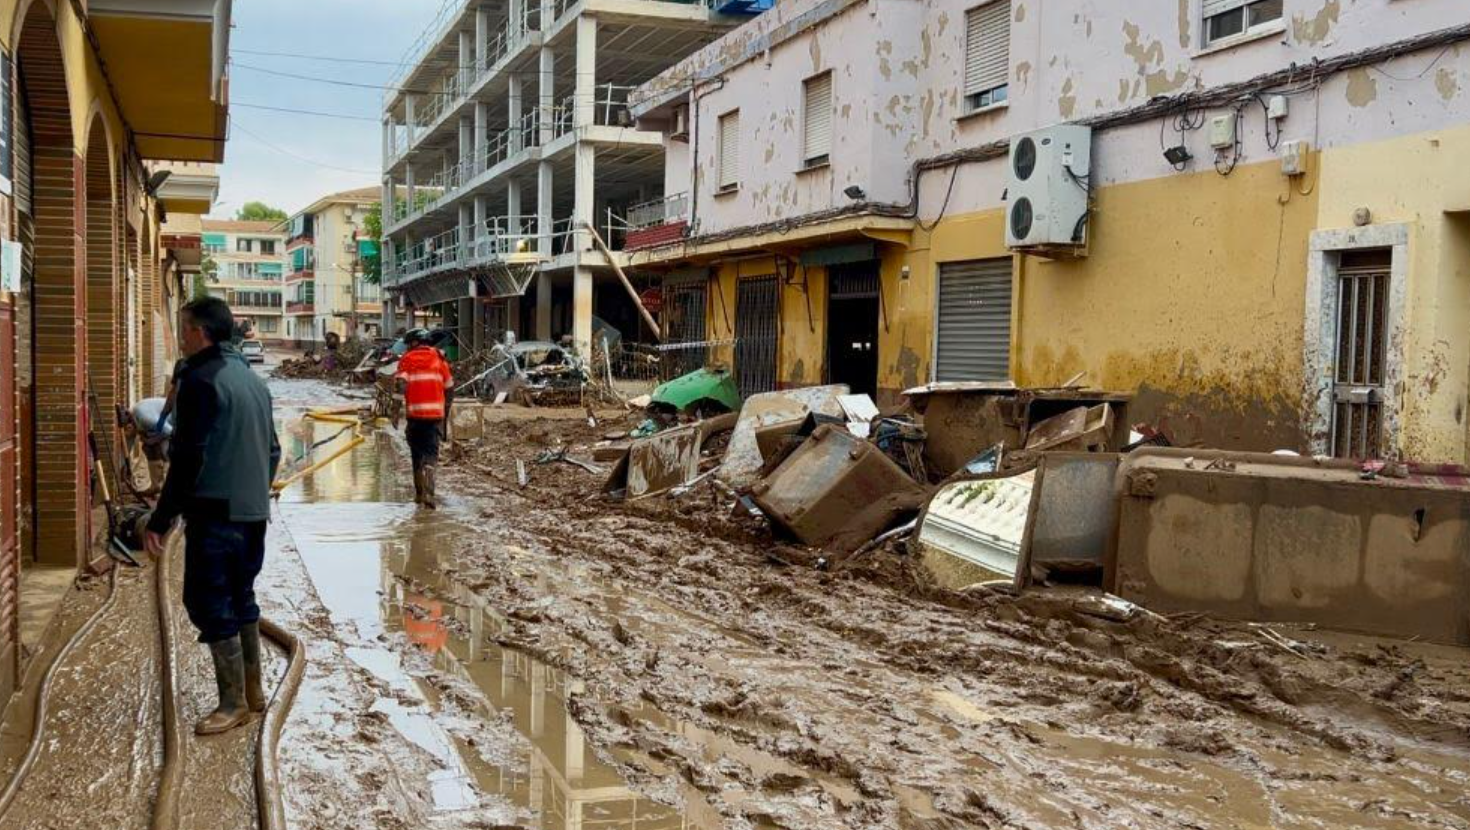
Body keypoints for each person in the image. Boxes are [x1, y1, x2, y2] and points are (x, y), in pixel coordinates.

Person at [144, 297, 281, 736]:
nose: (180, 338)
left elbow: (187, 457)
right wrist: (254, 490)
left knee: (207, 600)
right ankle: (254, 693)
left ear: (199, 332)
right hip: (253, 513)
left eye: (183, 329)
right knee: (241, 597)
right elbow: (273, 450)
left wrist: (160, 520)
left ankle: (233, 703)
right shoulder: (251, 380)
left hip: (216, 513)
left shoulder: (202, 380)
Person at [395, 328, 454, 509]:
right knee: (431, 456)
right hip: (434, 417)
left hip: (414, 417)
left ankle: (419, 495)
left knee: (416, 455)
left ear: (414, 343)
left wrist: (394, 412)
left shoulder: (407, 360)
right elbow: (449, 387)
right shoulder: (439, 359)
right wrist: (445, 411)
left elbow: (400, 387)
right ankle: (430, 493)